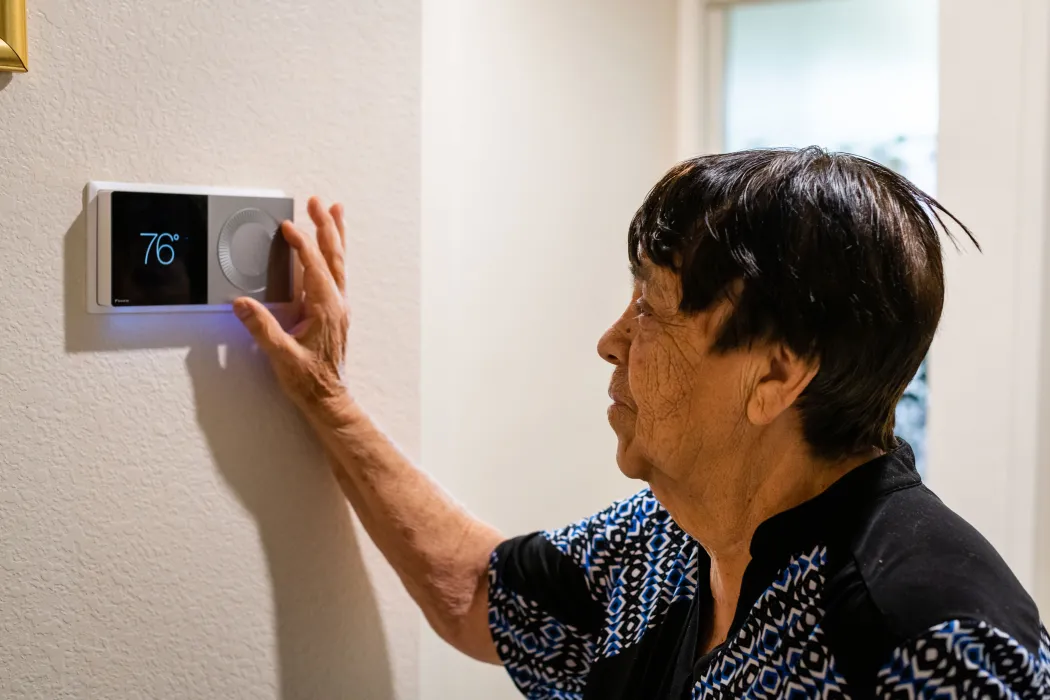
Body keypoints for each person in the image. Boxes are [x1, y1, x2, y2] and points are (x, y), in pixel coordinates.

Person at [233, 147, 1050, 699]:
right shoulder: (669, 539)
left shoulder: (931, 636)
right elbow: (477, 591)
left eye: (649, 307)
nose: (610, 342)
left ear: (776, 372)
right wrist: (327, 399)